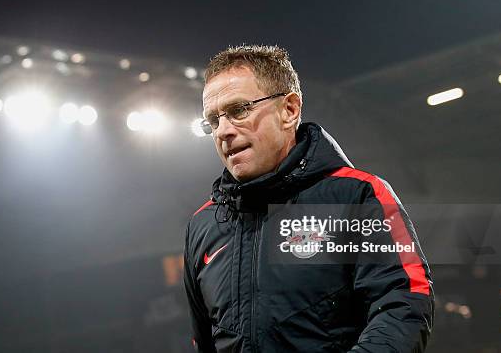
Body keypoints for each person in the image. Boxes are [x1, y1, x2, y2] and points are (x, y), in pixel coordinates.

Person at [183, 45, 434, 352]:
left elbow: (404, 303)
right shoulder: (202, 225)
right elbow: (204, 340)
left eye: (238, 111)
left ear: (289, 110)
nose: (223, 131)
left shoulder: (357, 196)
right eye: (213, 120)